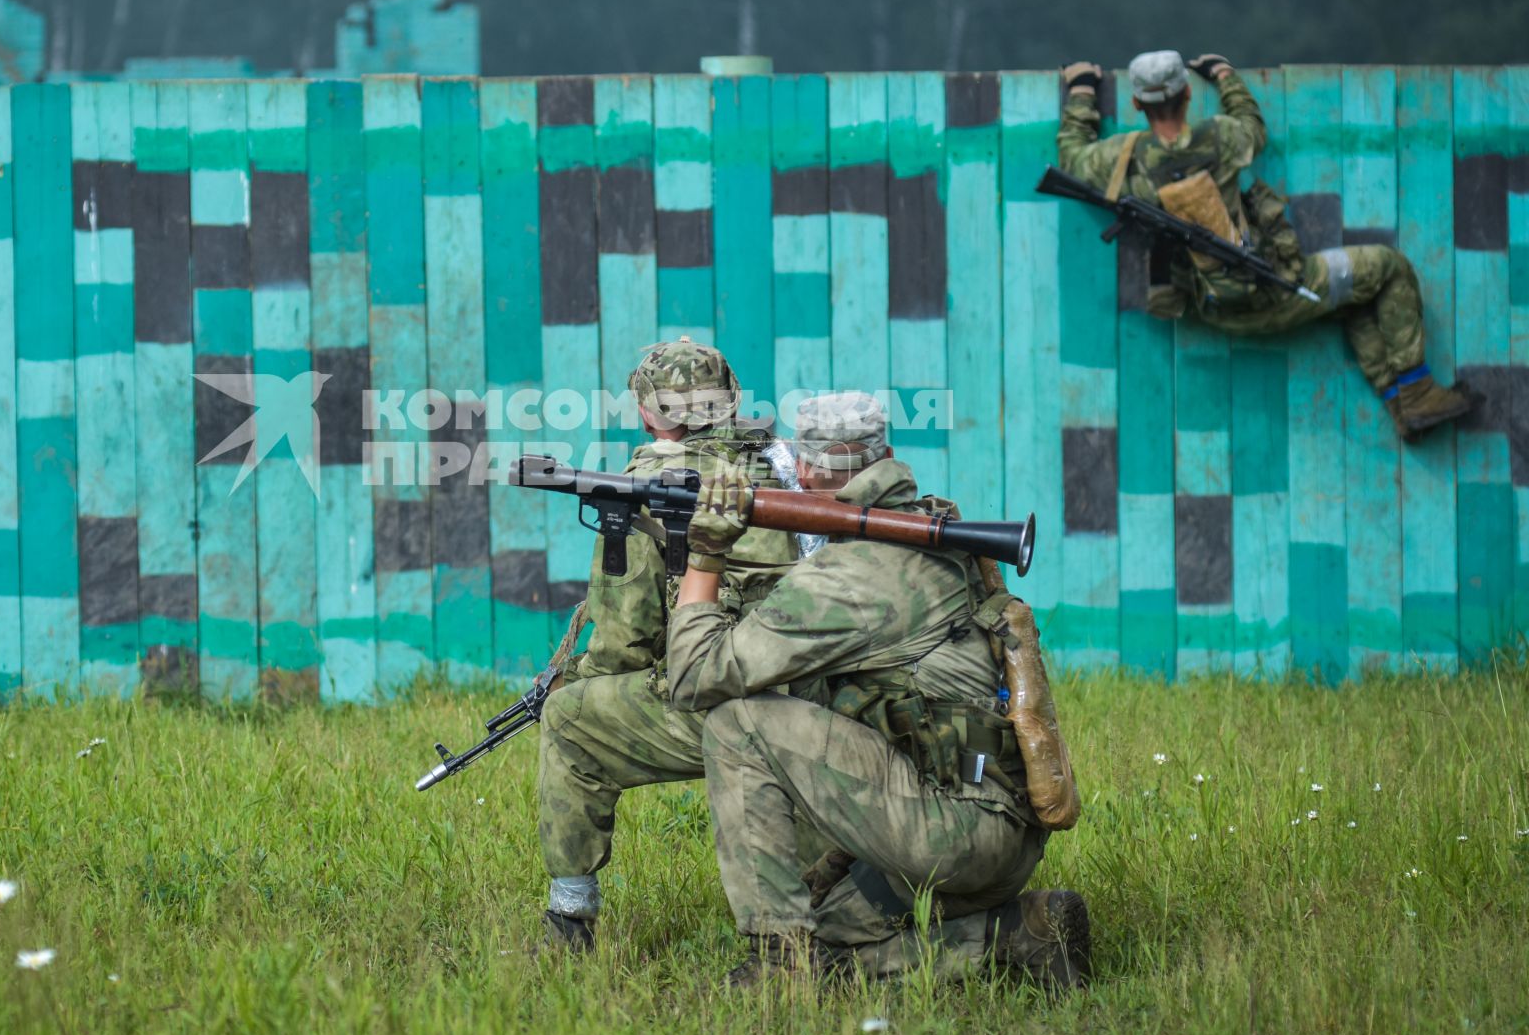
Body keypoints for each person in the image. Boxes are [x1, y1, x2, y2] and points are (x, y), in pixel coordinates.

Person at [665, 392, 1088, 987]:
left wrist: (705, 554)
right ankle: (1021, 932)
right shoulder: (937, 531)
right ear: (885, 455)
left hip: (955, 831)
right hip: (1000, 821)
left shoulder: (848, 578)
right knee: (832, 932)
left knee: (737, 723)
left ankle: (781, 962)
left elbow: (692, 676)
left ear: (804, 472)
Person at [533, 337, 798, 951]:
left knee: (570, 720)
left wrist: (571, 677)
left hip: (734, 701)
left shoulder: (649, 484)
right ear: (731, 402)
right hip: (821, 689)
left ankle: (569, 922)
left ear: (648, 414)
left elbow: (623, 640)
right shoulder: (789, 463)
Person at [1058, 50, 1476, 439]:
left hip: (1212, 309)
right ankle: (1418, 389)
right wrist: (1224, 75)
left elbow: (1072, 159)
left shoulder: (1122, 158)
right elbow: (1253, 126)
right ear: (1187, 93)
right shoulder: (1221, 137)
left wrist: (1081, 89)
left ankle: (1400, 405)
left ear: (1136, 105)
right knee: (1388, 268)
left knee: (1353, 299)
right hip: (1280, 293)